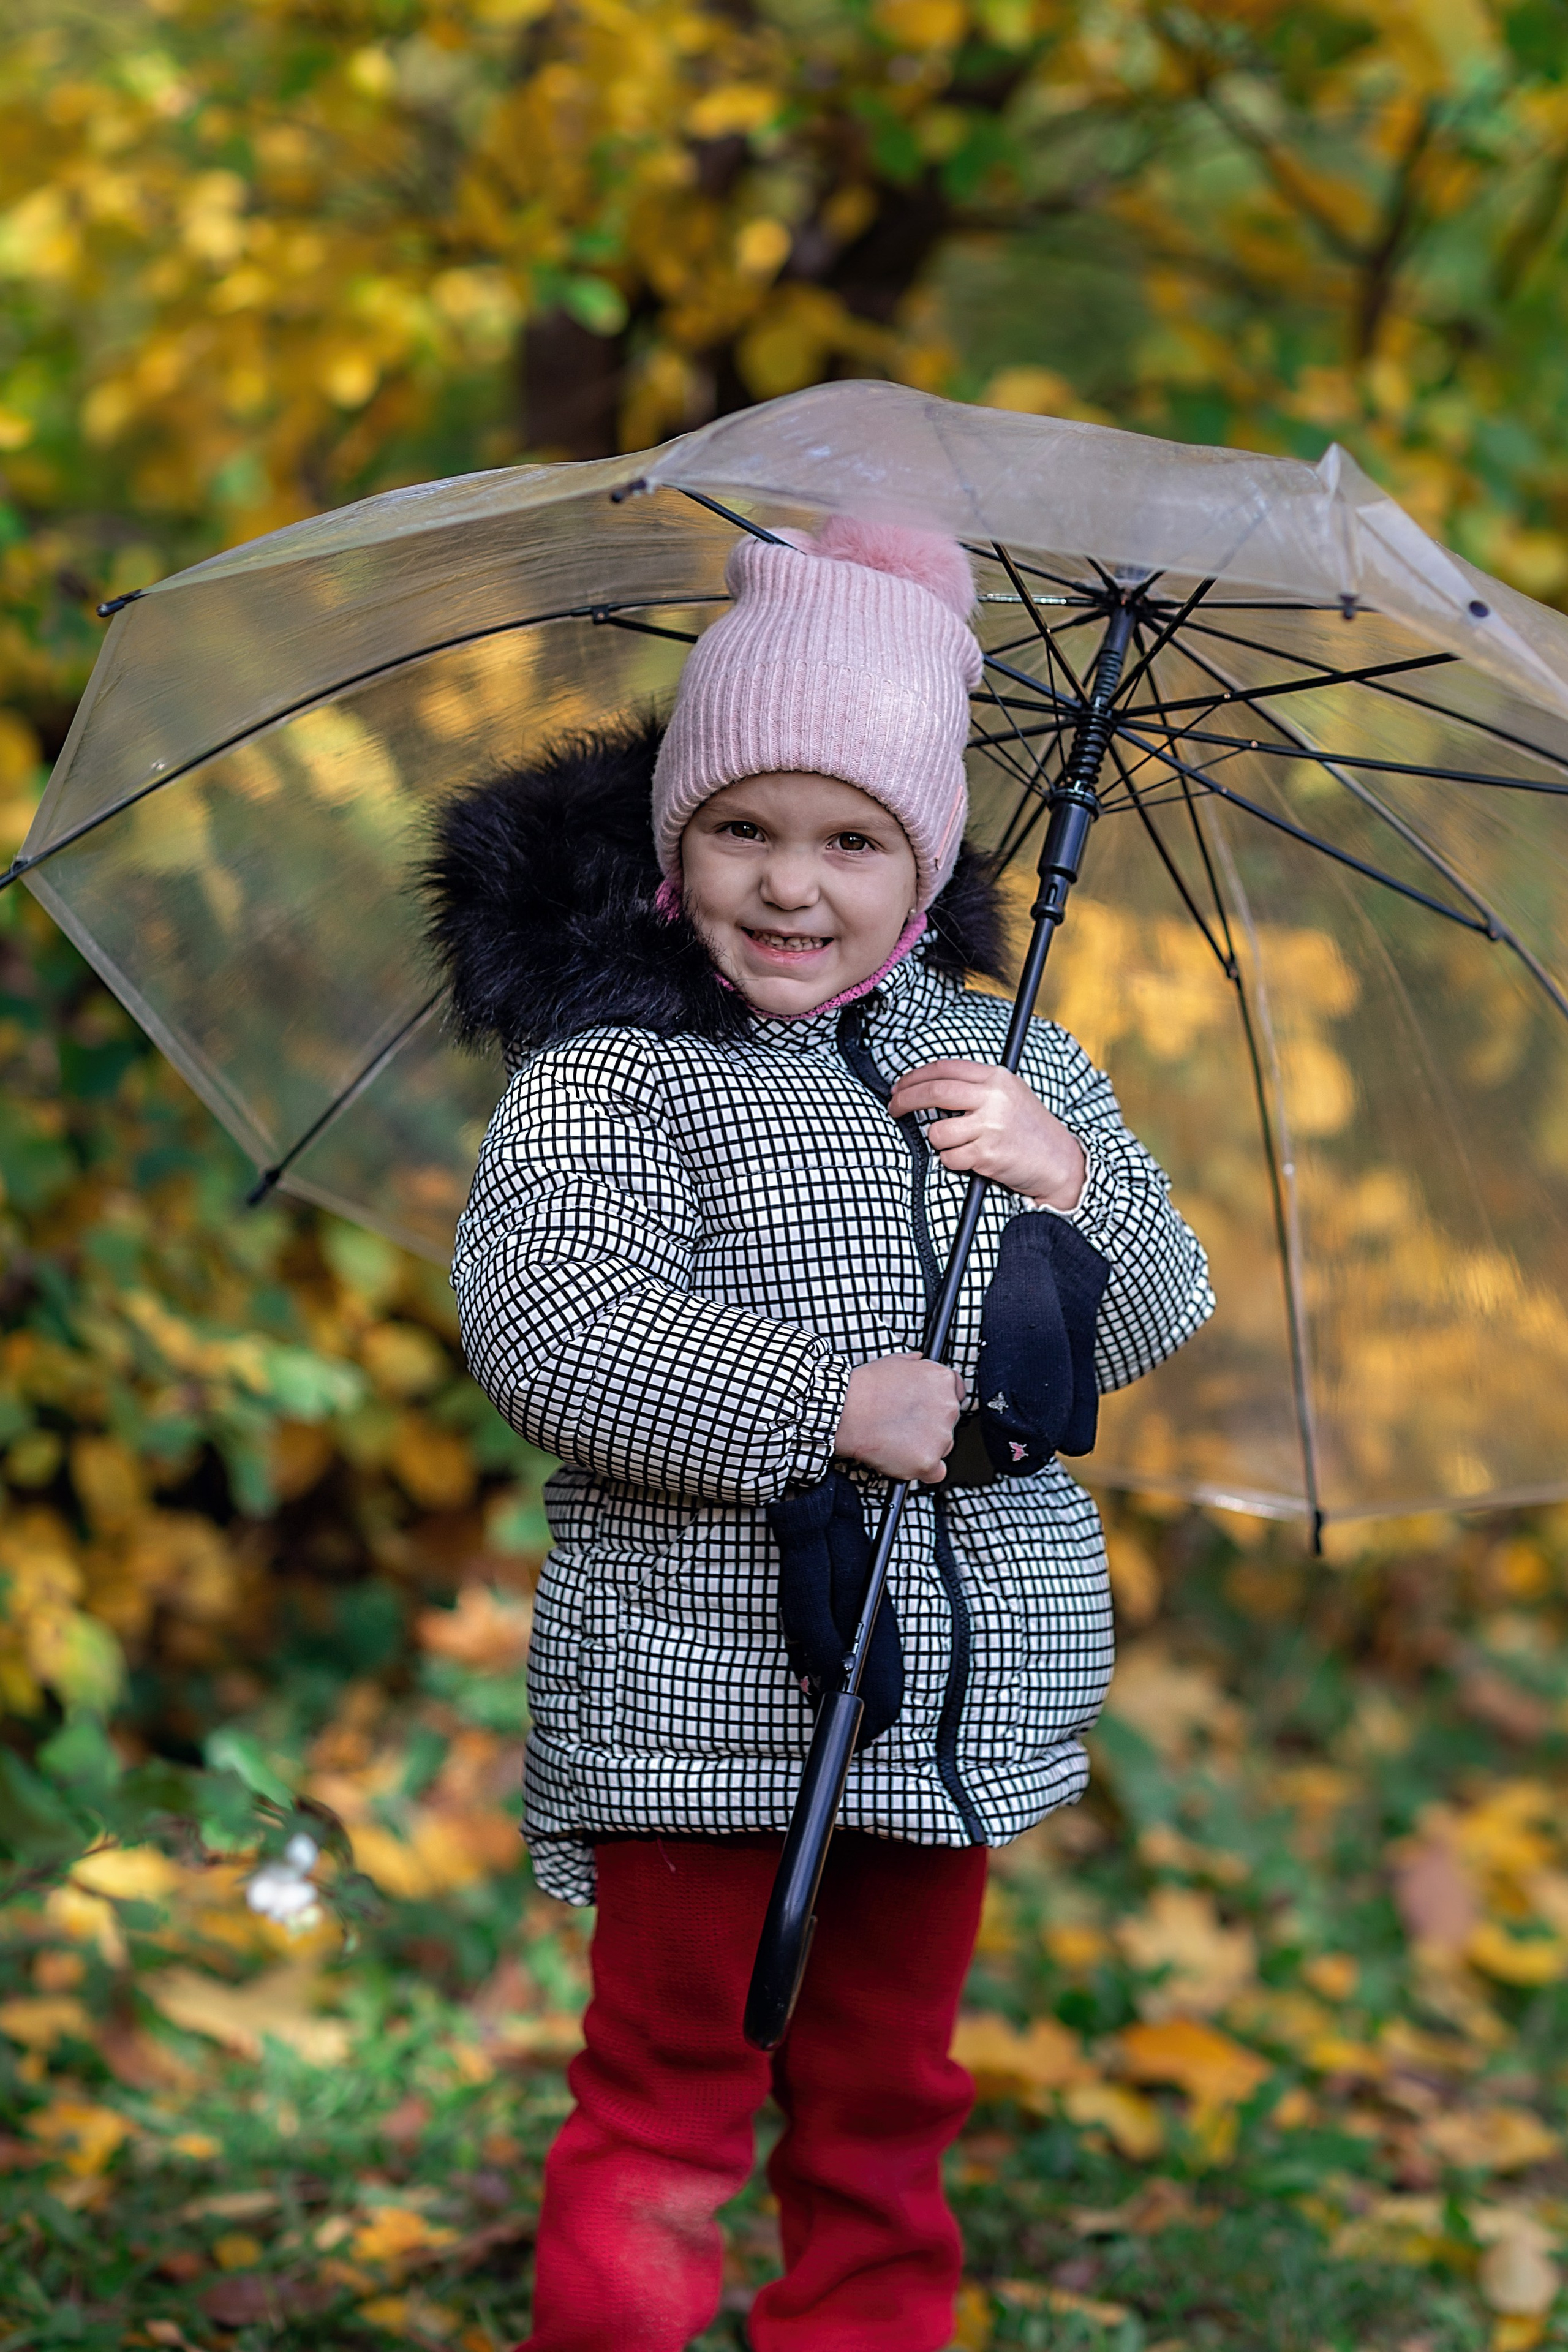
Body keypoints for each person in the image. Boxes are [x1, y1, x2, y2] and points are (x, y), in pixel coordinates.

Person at [424, 514, 1214, 2351]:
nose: (793, 887)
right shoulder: (616, 1070)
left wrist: (1070, 1182)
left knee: (884, 2105)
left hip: (949, 1701)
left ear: (923, 867)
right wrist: (824, 1401)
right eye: (743, 830)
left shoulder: (1015, 1060)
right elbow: (556, 1327)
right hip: (702, 1701)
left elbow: (1153, 1316)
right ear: (672, 841)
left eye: (852, 841)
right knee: (667, 2105)